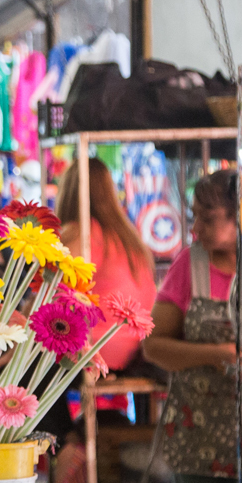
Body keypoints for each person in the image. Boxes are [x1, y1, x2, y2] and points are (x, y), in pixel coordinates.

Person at [141, 170, 242, 483]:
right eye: (195, 217)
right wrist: (215, 352)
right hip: (199, 427)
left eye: (208, 218)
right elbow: (155, 345)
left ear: (240, 216)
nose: (197, 228)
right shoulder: (189, 266)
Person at [54, 157, 158, 374]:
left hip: (98, 350)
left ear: (68, 191)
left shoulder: (83, 234)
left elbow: (51, 295)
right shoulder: (128, 236)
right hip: (134, 349)